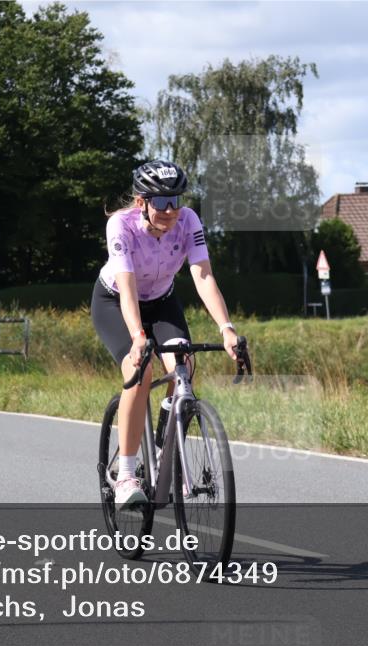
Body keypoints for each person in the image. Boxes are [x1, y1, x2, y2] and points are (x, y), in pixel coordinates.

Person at [91, 160, 241, 508]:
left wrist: (227, 328)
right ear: (141, 202)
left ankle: (163, 447)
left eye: (175, 200)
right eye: (160, 202)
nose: (170, 210)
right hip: (115, 302)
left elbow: (203, 276)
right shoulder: (121, 225)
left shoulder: (188, 220)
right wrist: (137, 337)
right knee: (140, 371)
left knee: (183, 363)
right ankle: (127, 475)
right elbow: (126, 288)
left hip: (162, 300)